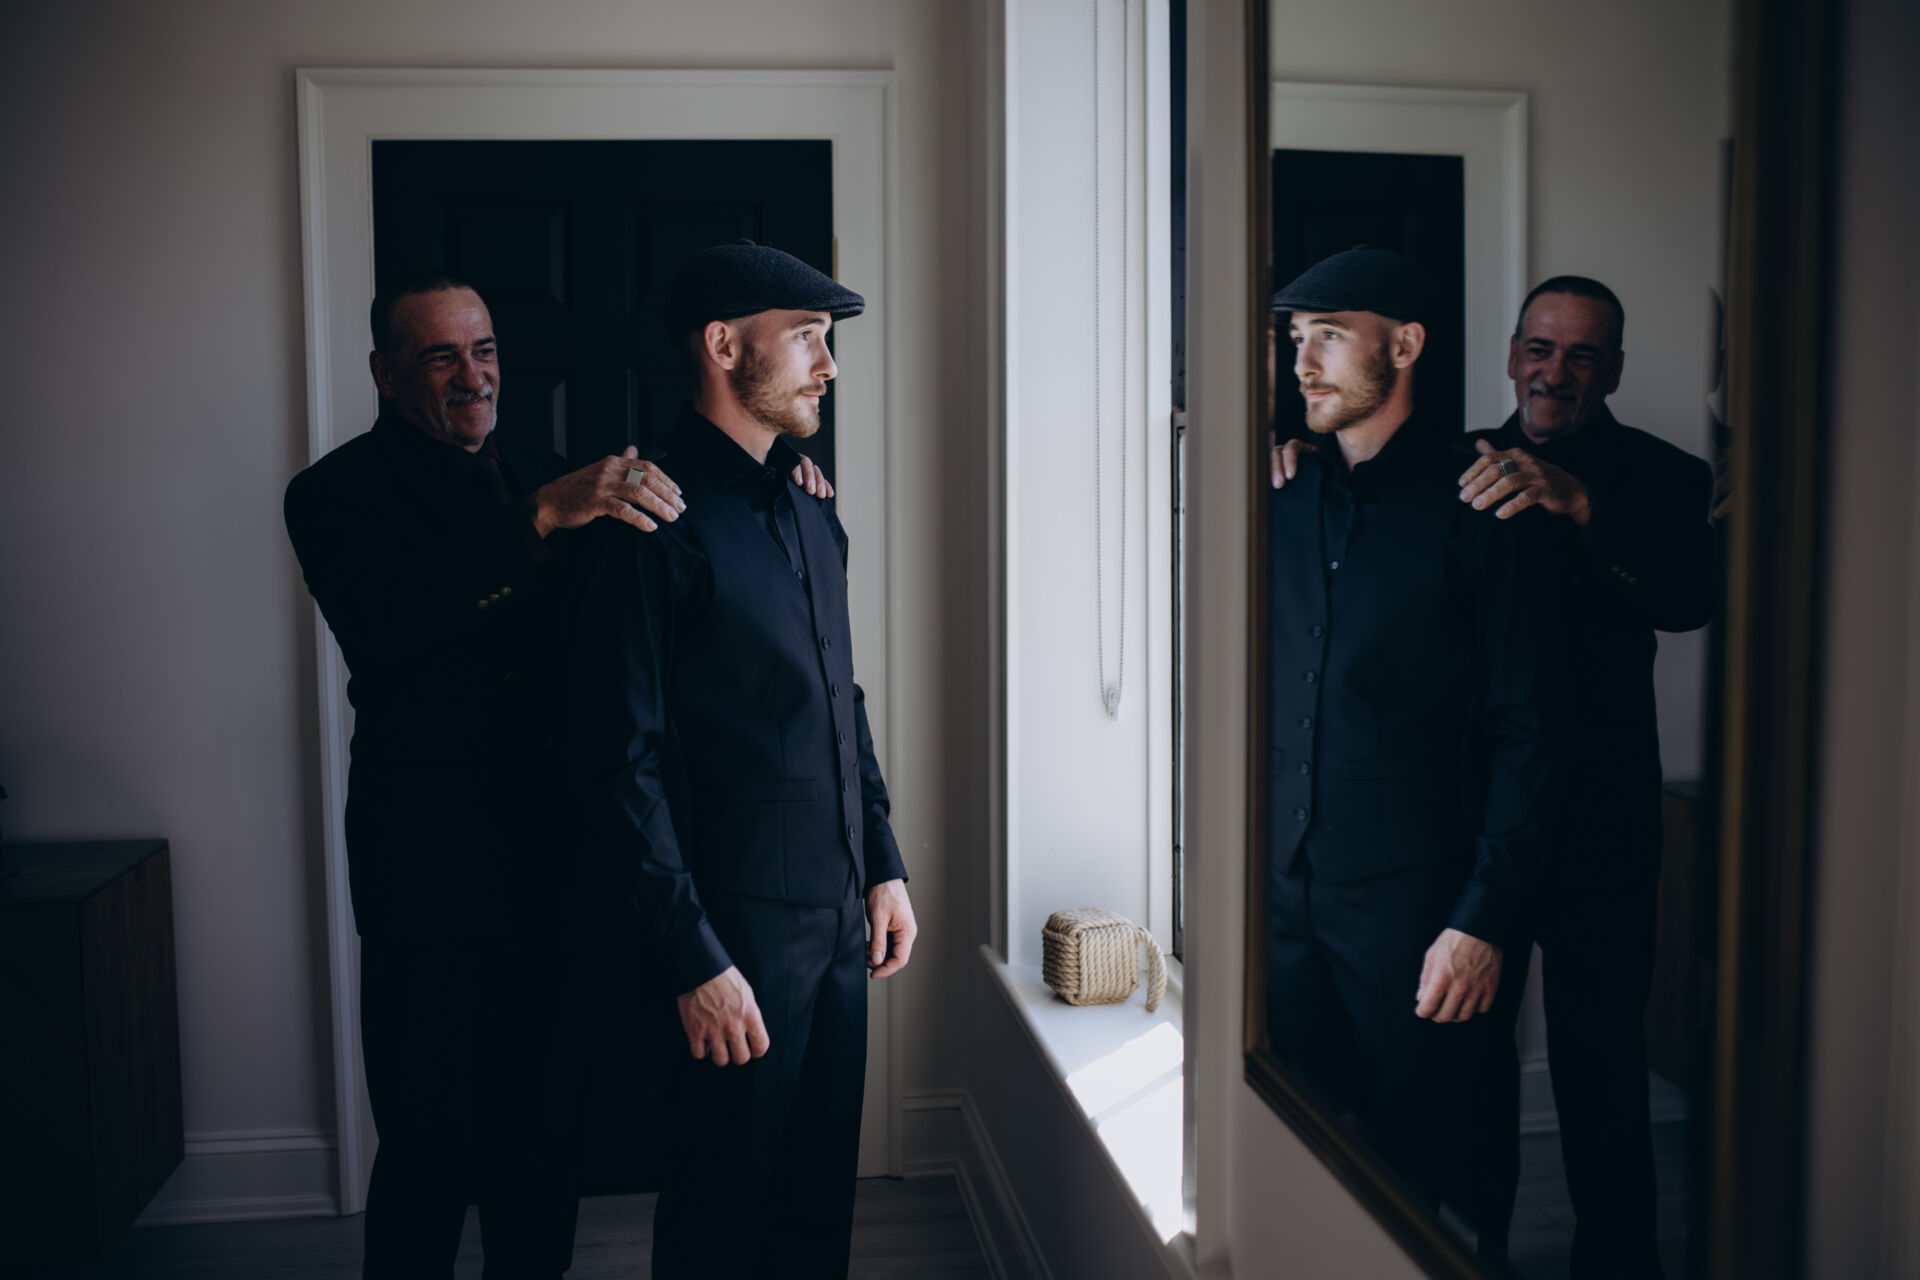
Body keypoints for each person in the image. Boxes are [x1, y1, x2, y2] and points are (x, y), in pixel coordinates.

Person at [283, 271, 829, 1278]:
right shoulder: (332, 494)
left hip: (562, 873)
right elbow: (391, 617)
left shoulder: (545, 468)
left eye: (484, 350)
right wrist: (539, 514)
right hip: (429, 880)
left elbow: (677, 512)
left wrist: (772, 475)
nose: (473, 374)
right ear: (384, 374)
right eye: (440, 357)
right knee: (427, 1148)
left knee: (542, 1147)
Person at [557, 240, 916, 1279]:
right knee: (720, 1226)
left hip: (838, 927)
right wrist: (695, 959)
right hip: (731, 941)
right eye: (806, 337)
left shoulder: (811, 508)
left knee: (815, 1220)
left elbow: (840, 701)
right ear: (723, 346)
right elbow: (615, 763)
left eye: (828, 340)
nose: (827, 365)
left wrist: (883, 861)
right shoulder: (646, 521)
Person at [1262, 247, 1560, 1206]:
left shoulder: (1486, 503)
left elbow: (1527, 730)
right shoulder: (1279, 495)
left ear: (1404, 345)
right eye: (1296, 339)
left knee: (1432, 1183)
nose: (1304, 363)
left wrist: (1481, 919)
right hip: (1279, 910)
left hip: (1420, 915)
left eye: (1330, 337)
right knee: (1289, 1173)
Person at [1456, 277, 1714, 1278]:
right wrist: (1292, 455)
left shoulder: (1666, 476)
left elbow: (1687, 600)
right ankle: (1466, 1254)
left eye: (1581, 355)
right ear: (1512, 352)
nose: (1554, 372)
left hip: (1604, 824)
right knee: (1470, 1065)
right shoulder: (1453, 462)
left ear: (1613, 370)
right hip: (1478, 823)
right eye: (1540, 348)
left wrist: (1584, 505)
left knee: (1602, 1069)